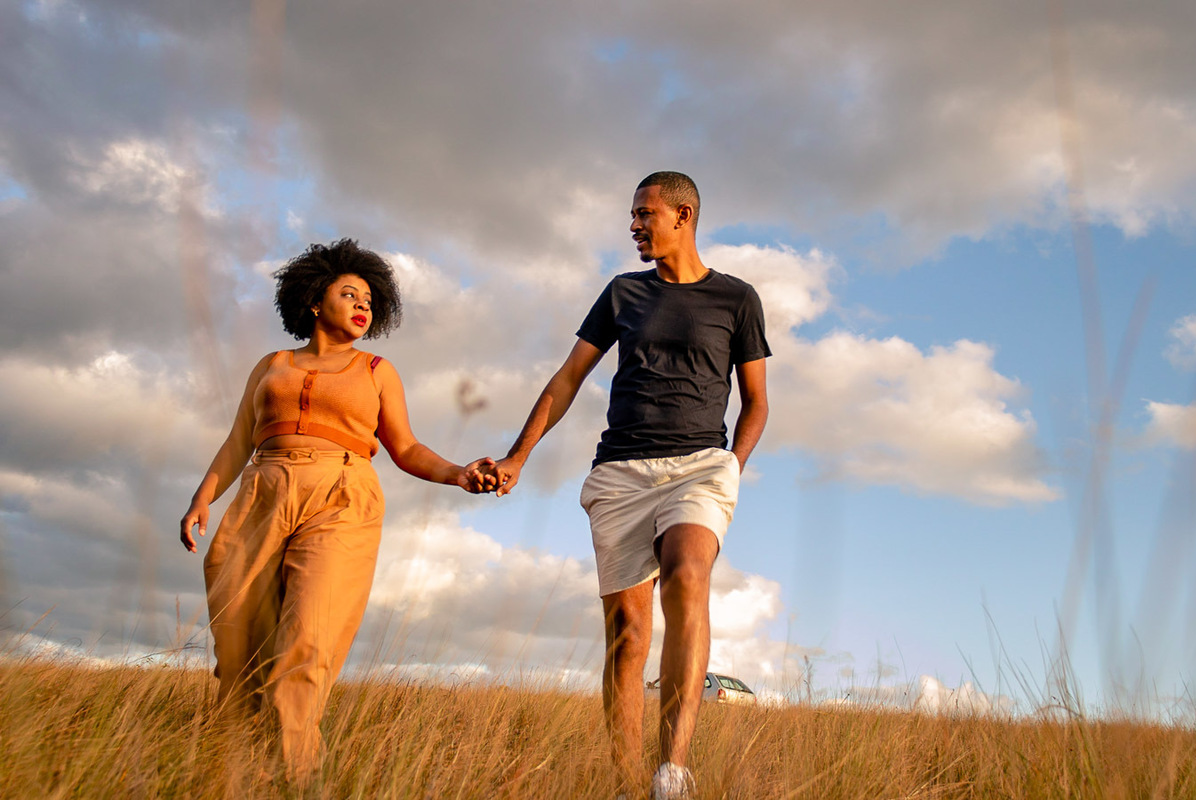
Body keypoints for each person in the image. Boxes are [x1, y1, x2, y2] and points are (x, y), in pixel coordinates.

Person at [489, 172, 770, 799]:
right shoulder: (623, 293)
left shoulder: (736, 298)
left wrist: (732, 466)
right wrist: (518, 455)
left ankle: (672, 772)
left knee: (688, 574)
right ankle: (623, 784)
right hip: (620, 472)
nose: (635, 226)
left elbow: (756, 401)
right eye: (633, 216)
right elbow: (568, 378)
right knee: (628, 636)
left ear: (683, 215)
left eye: (645, 214)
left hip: (700, 466)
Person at [179, 239, 494, 782]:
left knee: (307, 642)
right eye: (349, 294)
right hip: (260, 492)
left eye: (369, 299)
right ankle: (235, 777)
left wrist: (459, 473)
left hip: (342, 494)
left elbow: (406, 447)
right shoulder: (272, 365)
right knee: (237, 652)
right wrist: (202, 497)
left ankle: (298, 781)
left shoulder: (376, 370)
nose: (362, 304)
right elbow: (238, 441)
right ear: (312, 300)